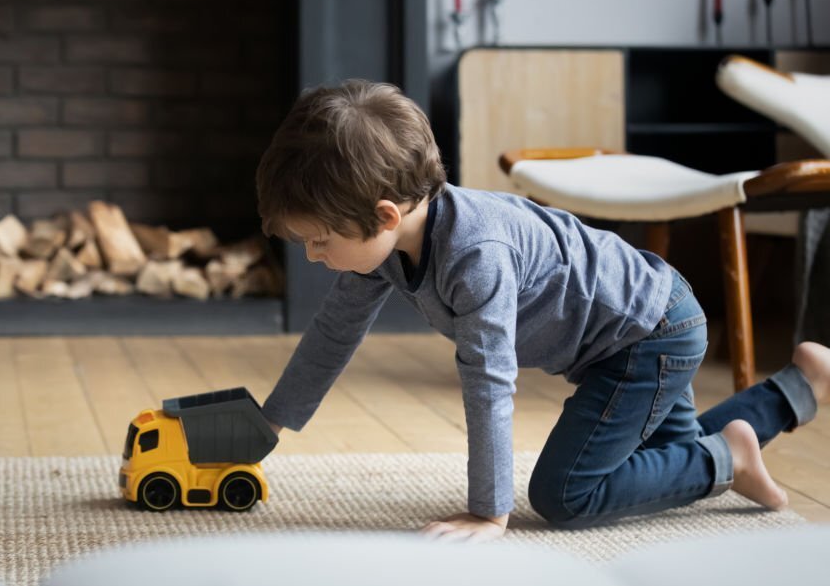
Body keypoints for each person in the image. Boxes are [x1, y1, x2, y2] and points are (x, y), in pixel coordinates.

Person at [254, 80, 829, 542]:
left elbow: (488, 382)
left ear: (383, 216)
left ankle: (726, 456)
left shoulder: (476, 255)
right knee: (665, 460)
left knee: (566, 494)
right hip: (639, 327)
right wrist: (269, 426)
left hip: (649, 335)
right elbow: (333, 334)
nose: (313, 256)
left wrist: (489, 513)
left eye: (320, 241)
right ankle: (797, 389)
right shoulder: (379, 251)